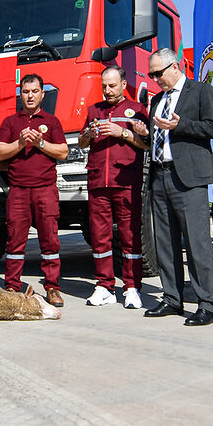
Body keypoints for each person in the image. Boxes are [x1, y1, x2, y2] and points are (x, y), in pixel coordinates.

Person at [142, 48, 213, 326]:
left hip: (188, 178)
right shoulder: (157, 100)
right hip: (160, 175)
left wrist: (182, 125)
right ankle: (172, 299)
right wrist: (145, 133)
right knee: (165, 243)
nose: (155, 79)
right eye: (151, 74)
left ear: (175, 67)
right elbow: (158, 138)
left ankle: (209, 305)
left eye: (158, 73)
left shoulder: (200, 91)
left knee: (197, 243)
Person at [79, 66, 150, 309]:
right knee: (100, 238)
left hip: (125, 181)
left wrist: (125, 134)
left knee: (130, 236)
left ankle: (131, 287)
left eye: (112, 86)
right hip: (98, 181)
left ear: (123, 84)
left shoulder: (139, 110)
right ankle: (104, 285)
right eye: (104, 87)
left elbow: (147, 144)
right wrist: (88, 134)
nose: (108, 91)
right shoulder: (94, 110)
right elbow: (81, 142)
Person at [0, 74, 68, 305]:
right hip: (18, 190)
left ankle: (52, 287)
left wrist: (40, 143)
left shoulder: (52, 121)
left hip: (45, 189)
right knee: (15, 240)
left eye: (34, 91)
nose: (30, 96)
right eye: (26, 92)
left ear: (42, 94)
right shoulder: (10, 122)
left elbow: (63, 152)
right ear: (21, 94)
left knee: (50, 240)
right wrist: (20, 143)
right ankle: (12, 286)